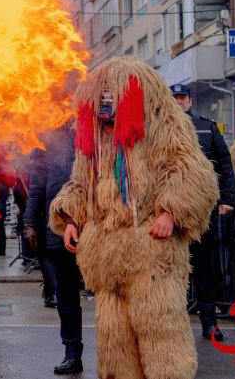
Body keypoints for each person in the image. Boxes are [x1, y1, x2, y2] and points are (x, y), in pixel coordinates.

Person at [50, 57, 219, 379]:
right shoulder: (95, 137)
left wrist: (171, 212)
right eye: (100, 94)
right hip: (106, 253)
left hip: (151, 248)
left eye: (111, 94)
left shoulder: (166, 124)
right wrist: (70, 216)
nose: (104, 100)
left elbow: (191, 171)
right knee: (115, 336)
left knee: (159, 327)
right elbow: (80, 183)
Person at [169, 84, 235, 341]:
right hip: (170, 210)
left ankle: (210, 323)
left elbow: (225, 164)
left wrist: (226, 199)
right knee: (172, 271)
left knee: (204, 269)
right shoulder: (157, 127)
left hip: (201, 211)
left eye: (182, 98)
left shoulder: (207, 127)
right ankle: (174, 328)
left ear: (189, 100)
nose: (178, 102)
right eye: (174, 98)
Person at [24, 124, 83, 375]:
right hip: (58, 228)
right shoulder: (46, 142)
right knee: (67, 296)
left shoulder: (93, 135)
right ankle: (72, 351)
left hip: (98, 228)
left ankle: (118, 355)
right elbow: (37, 187)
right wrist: (29, 222)